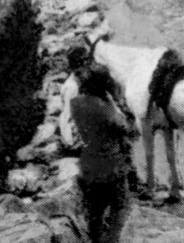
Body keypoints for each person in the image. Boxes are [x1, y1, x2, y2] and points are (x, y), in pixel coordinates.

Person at [71, 65, 136, 243]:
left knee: (94, 213)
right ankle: (113, 240)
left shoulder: (76, 103)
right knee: (120, 207)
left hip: (88, 166)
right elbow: (128, 129)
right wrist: (115, 103)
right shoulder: (105, 108)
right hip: (111, 167)